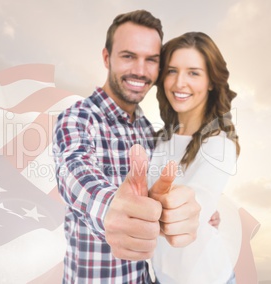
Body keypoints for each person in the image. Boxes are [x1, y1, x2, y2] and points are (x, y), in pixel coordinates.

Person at [52, 10, 203, 283]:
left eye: (151, 60)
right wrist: (109, 207)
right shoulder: (78, 117)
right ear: (107, 58)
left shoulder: (148, 130)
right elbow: (73, 169)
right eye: (128, 56)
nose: (140, 70)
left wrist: (186, 212)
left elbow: (163, 195)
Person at [148, 32, 240, 283]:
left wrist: (194, 210)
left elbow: (200, 199)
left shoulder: (219, 144)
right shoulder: (158, 140)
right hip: (161, 276)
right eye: (172, 71)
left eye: (193, 73)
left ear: (211, 81)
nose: (179, 83)